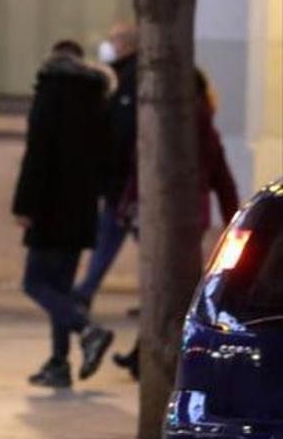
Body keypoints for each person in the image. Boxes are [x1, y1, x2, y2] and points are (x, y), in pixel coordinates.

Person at [108, 69, 240, 379]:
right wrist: (231, 215)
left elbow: (140, 167)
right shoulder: (200, 120)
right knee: (171, 285)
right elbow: (221, 175)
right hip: (189, 216)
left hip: (169, 216)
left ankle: (152, 355)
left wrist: (129, 203)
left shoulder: (173, 118)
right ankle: (144, 354)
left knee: (168, 287)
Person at [12, 41, 116, 388]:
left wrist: (24, 205)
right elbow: (106, 155)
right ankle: (59, 363)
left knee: (35, 283)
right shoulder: (95, 97)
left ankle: (88, 330)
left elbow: (37, 154)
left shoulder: (50, 92)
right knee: (60, 286)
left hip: (49, 207)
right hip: (82, 208)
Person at [72, 23, 138, 311]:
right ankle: (86, 289)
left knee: (111, 233)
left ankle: (86, 290)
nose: (108, 46)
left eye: (113, 40)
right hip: (122, 177)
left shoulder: (131, 77)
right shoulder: (121, 75)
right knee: (110, 234)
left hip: (124, 177)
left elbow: (122, 129)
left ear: (127, 44)